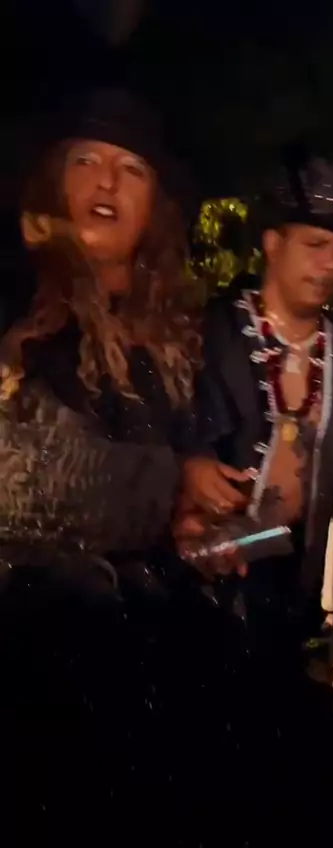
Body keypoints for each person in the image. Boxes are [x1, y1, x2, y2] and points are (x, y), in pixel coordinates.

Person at [0, 88, 239, 833]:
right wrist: (171, 488)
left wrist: (199, 525)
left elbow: (178, 470)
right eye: (86, 160)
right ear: (52, 181)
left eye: (131, 168)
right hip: (29, 661)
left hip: (145, 663)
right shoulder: (12, 297)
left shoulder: (173, 336)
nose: (107, 180)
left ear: (155, 209)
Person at [176, 153, 333, 697]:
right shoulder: (207, 333)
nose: (331, 266)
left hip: (295, 567)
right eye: (315, 244)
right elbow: (166, 434)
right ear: (272, 244)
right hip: (204, 570)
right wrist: (189, 466)